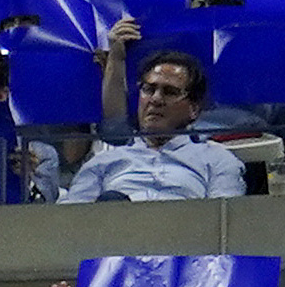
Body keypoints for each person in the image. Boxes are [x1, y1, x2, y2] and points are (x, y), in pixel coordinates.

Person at [68, 48, 248, 203]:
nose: (155, 99)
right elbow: (69, 221)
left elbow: (226, 221)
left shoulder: (218, 160)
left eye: (170, 92)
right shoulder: (103, 162)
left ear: (193, 109)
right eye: (148, 89)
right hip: (117, 236)